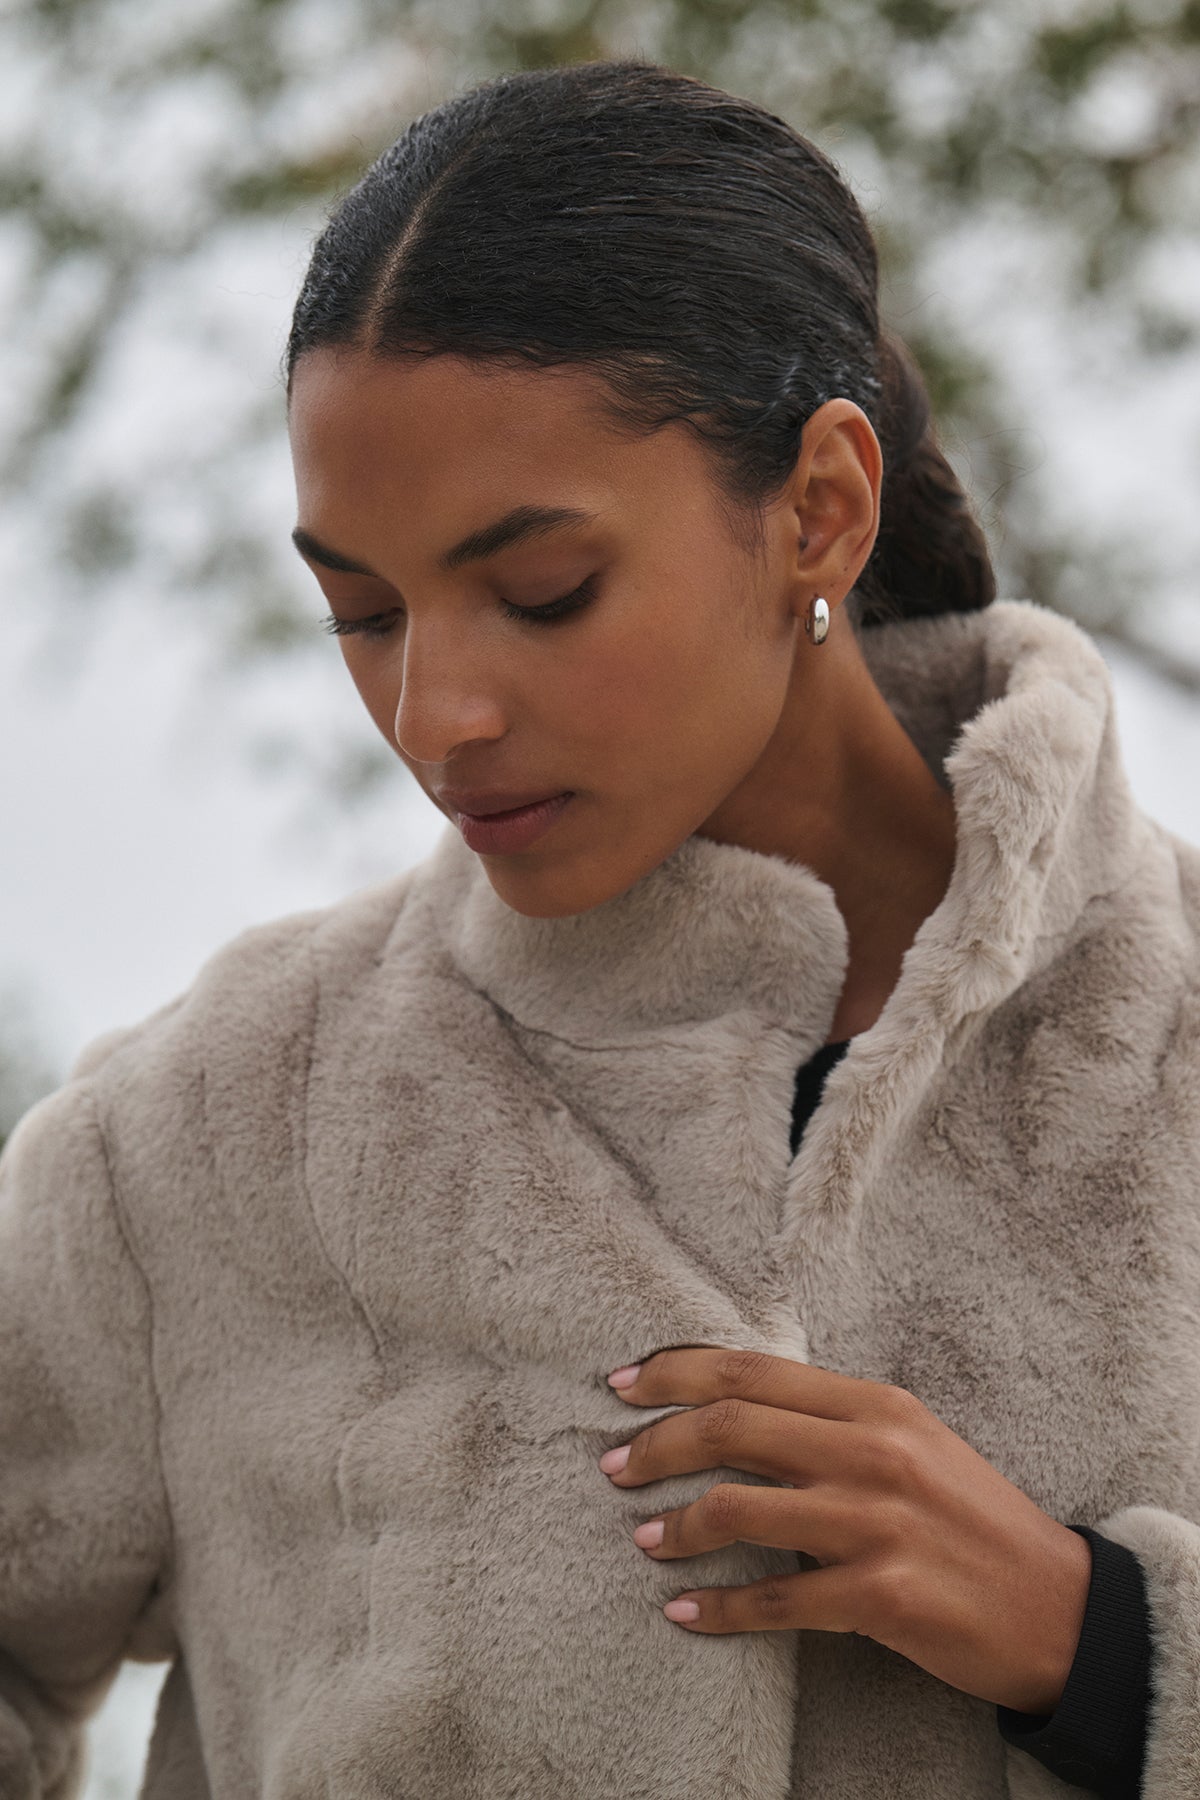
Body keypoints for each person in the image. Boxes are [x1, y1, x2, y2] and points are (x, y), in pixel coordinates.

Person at [0, 55, 1192, 1800]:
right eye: (362, 612)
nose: (436, 714)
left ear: (821, 509)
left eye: (540, 590)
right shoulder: (207, 1134)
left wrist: (1101, 1645)